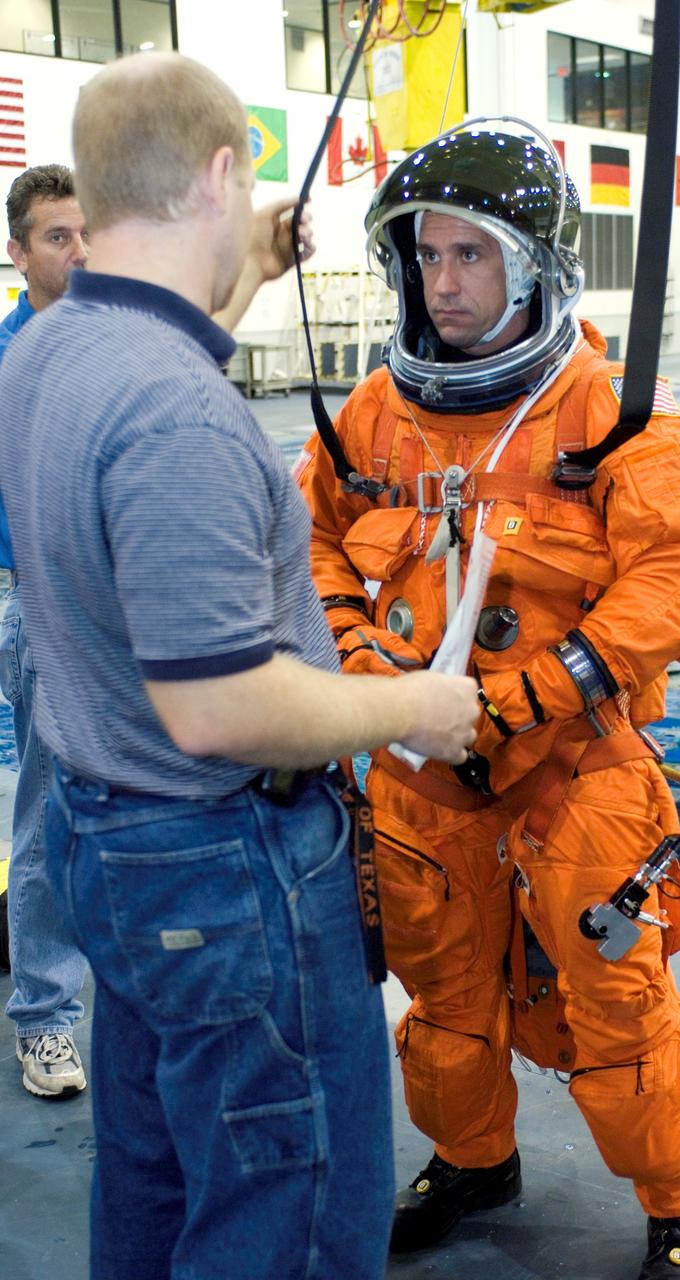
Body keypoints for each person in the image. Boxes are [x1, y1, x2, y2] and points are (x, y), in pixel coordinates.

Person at [0, 52, 479, 1280]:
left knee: (157, 1179)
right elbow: (219, 705)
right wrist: (418, 703)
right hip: (226, 876)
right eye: (245, 175)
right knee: (292, 1205)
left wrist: (246, 266)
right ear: (219, 171)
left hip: (112, 849)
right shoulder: (177, 415)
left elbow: (155, 346)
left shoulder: (46, 350)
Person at [299, 120, 680, 1280]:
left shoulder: (608, 410)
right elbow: (313, 542)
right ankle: (473, 1160)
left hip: (570, 770)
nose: (443, 283)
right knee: (441, 998)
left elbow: (678, 578)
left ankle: (677, 1205)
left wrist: (538, 692)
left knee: (617, 1005)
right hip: (421, 775)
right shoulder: (376, 415)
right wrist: (355, 654)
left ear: (535, 262)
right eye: (427, 256)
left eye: (471, 256)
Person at [0, 164, 90, 1097]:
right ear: (17, 252)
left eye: (84, 233)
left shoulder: (115, 340)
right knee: (51, 819)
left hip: (130, 604)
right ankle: (46, 1017)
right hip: (48, 605)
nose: (78, 252)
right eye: (56, 238)